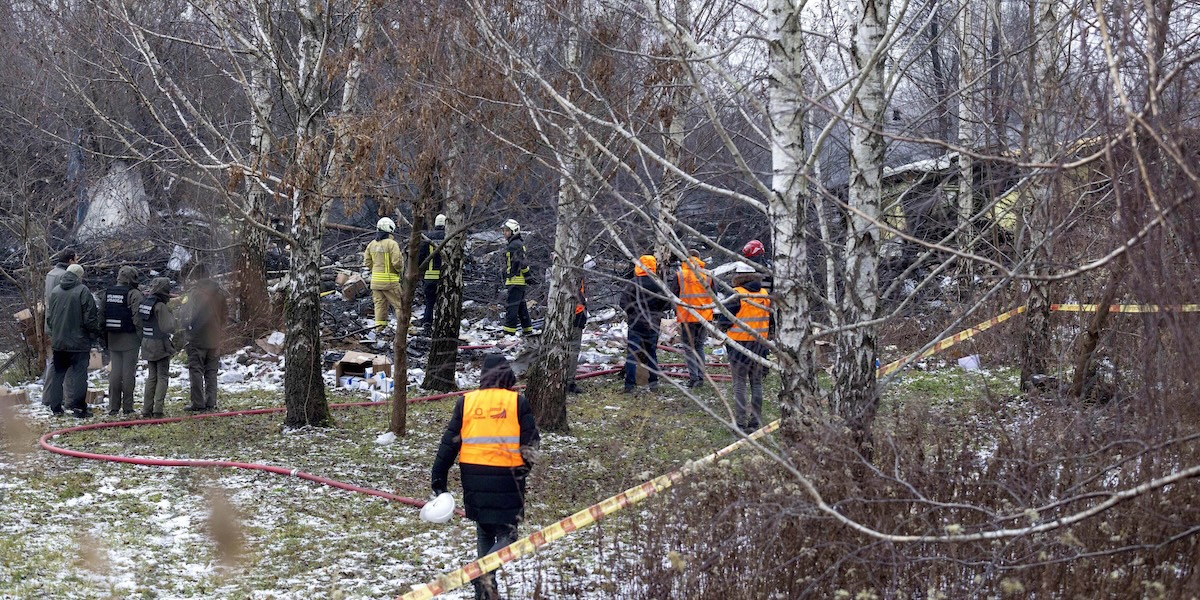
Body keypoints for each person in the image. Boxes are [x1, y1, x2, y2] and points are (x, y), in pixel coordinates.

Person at [431, 354, 540, 600]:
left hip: (472, 475)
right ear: (507, 375)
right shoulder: (517, 402)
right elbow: (531, 443)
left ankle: (486, 591)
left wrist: (439, 476)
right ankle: (482, 575)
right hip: (508, 476)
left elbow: (448, 443)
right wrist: (523, 470)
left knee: (484, 530)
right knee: (509, 535)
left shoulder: (466, 402)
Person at [717, 264, 773, 432]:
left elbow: (725, 320)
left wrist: (721, 328)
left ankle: (740, 423)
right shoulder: (764, 294)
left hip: (739, 345)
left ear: (738, 276)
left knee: (739, 383)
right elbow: (771, 321)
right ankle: (755, 422)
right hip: (759, 344)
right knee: (756, 383)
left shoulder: (736, 294)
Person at [44, 263, 101, 418]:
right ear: (79, 276)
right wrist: (94, 334)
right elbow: (90, 318)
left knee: (58, 374)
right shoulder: (83, 291)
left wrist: (56, 333)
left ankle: (56, 407)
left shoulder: (55, 291)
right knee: (79, 376)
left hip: (59, 342)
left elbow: (49, 318)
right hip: (79, 343)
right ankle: (79, 408)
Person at [180, 264, 227, 412]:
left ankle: (197, 402)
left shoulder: (193, 294)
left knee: (196, 370)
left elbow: (184, 315)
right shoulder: (220, 293)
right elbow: (225, 315)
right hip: (215, 337)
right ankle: (211, 401)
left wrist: (187, 328)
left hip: (197, 338)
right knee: (211, 371)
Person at [621, 254, 671, 393]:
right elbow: (667, 304)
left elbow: (623, 303)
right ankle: (653, 382)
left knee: (632, 354)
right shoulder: (659, 284)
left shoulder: (632, 283)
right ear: (654, 266)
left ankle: (629, 385)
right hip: (653, 323)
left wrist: (632, 312)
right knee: (652, 354)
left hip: (636, 323)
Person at [98, 266, 144, 416]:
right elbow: (138, 318)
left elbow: (101, 316)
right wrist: (141, 337)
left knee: (115, 373)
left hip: (112, 338)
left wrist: (104, 337)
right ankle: (128, 407)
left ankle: (113, 407)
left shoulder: (108, 293)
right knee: (128, 373)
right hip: (130, 339)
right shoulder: (135, 294)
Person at [669, 250, 714, 388]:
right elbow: (714, 296)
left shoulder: (680, 275)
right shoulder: (708, 275)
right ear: (699, 259)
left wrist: (677, 311)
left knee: (689, 348)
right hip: (704, 317)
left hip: (687, 317)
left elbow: (673, 295)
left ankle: (693, 378)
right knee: (699, 346)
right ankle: (700, 377)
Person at [139, 277, 177, 418]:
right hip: (159, 344)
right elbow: (168, 327)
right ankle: (158, 410)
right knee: (162, 376)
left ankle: (146, 409)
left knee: (151, 377)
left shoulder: (145, 302)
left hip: (146, 342)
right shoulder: (160, 306)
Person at [364, 216, 404, 334]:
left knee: (379, 306)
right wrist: (399, 271)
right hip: (390, 281)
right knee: (400, 305)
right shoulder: (392, 244)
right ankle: (406, 328)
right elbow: (397, 262)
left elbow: (367, 262)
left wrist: (376, 271)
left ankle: (380, 329)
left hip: (375, 282)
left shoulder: (372, 244)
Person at [565, 255, 595, 394]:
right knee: (572, 350)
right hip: (575, 317)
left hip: (569, 316)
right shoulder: (575, 278)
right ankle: (569, 382)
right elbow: (578, 298)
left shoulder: (566, 274)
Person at [500, 218, 533, 336]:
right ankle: (528, 330)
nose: (504, 233)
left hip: (515, 281)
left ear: (514, 231)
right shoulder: (515, 244)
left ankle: (509, 333)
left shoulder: (514, 245)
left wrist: (528, 276)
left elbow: (521, 263)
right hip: (518, 281)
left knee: (512, 307)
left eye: (507, 231)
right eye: (504, 231)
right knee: (521, 307)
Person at [417, 214, 446, 332]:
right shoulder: (449, 237)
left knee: (429, 302)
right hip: (445, 277)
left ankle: (427, 322)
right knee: (443, 303)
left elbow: (421, 257)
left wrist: (419, 271)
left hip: (430, 277)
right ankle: (442, 325)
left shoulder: (428, 237)